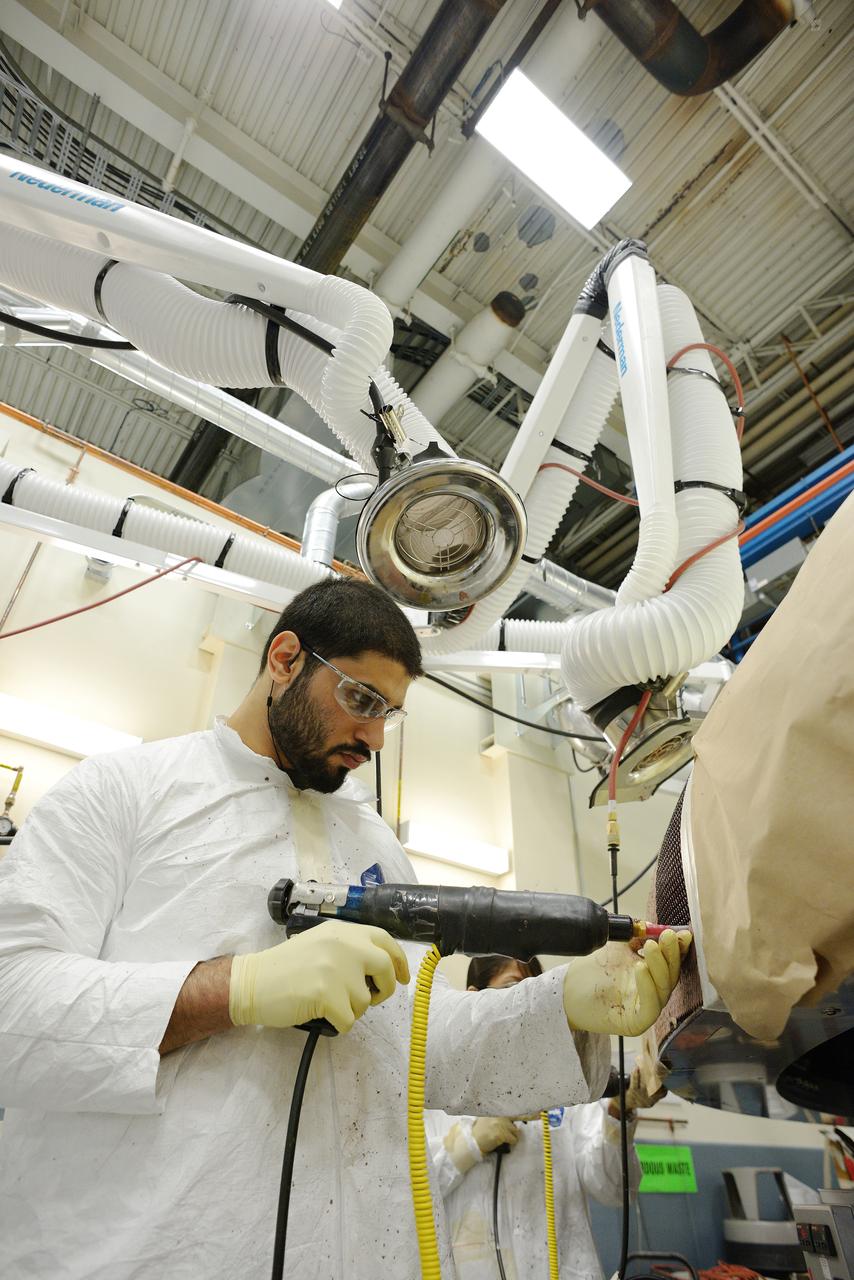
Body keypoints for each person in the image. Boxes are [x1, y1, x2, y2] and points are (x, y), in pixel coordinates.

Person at [0, 578, 689, 1279]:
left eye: (390, 714)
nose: (374, 737)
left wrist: (565, 1003)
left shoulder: (375, 849)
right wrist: (237, 989)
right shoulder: (123, 793)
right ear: (285, 659)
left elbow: (423, 1046)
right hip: (143, 1250)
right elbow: (11, 1004)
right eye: (361, 700)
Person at [428, 954, 667, 1280]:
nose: (525, 1002)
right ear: (473, 996)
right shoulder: (438, 1088)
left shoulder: (567, 1085)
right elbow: (409, 1198)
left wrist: (618, 1111)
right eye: (513, 986)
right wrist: (469, 1145)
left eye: (534, 990)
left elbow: (612, 1190)